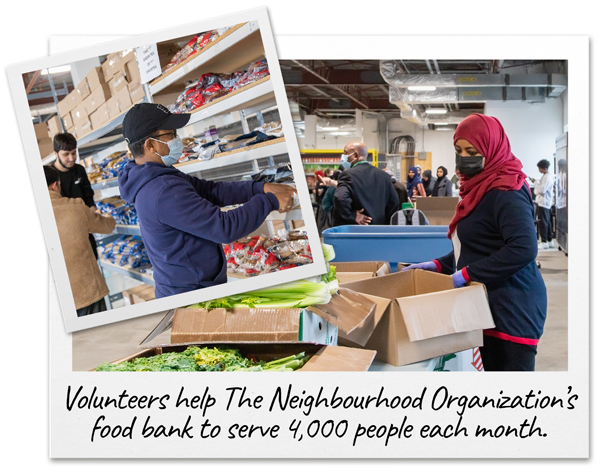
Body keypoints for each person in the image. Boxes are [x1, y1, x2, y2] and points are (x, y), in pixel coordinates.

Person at [402, 113, 546, 372]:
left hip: (511, 311)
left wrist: (467, 274)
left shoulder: (506, 191)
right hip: (485, 305)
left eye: (472, 150)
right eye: (459, 150)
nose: (464, 157)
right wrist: (438, 265)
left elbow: (523, 247)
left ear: (491, 148)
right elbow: (478, 245)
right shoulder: (479, 187)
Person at [118, 103, 295, 299]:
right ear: (150, 145)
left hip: (191, 287)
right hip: (191, 296)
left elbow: (210, 190)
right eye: (170, 134)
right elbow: (224, 228)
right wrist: (269, 201)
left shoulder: (157, 176)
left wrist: (259, 187)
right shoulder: (162, 190)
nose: (177, 139)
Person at [45, 165, 116, 316]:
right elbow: (106, 226)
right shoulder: (75, 208)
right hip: (87, 294)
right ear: (55, 185)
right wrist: (109, 216)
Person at [51, 132, 100, 258]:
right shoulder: (50, 178)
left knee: (94, 265)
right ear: (55, 154)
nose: (71, 158)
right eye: (66, 154)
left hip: (86, 230)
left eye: (73, 153)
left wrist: (95, 212)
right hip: (67, 237)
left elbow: (88, 197)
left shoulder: (79, 170)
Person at [332, 141, 399, 226]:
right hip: (378, 231)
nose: (343, 157)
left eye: (345, 153)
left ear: (355, 155)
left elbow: (340, 197)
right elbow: (394, 202)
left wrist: (352, 215)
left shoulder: (347, 175)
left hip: (355, 231)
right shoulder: (384, 176)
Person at [530, 159, 555, 249]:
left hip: (543, 203)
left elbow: (541, 190)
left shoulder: (547, 178)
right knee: (547, 221)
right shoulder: (546, 176)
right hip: (545, 202)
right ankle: (549, 240)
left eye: (539, 168)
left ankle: (544, 241)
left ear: (544, 168)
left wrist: (535, 183)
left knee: (543, 222)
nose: (538, 170)